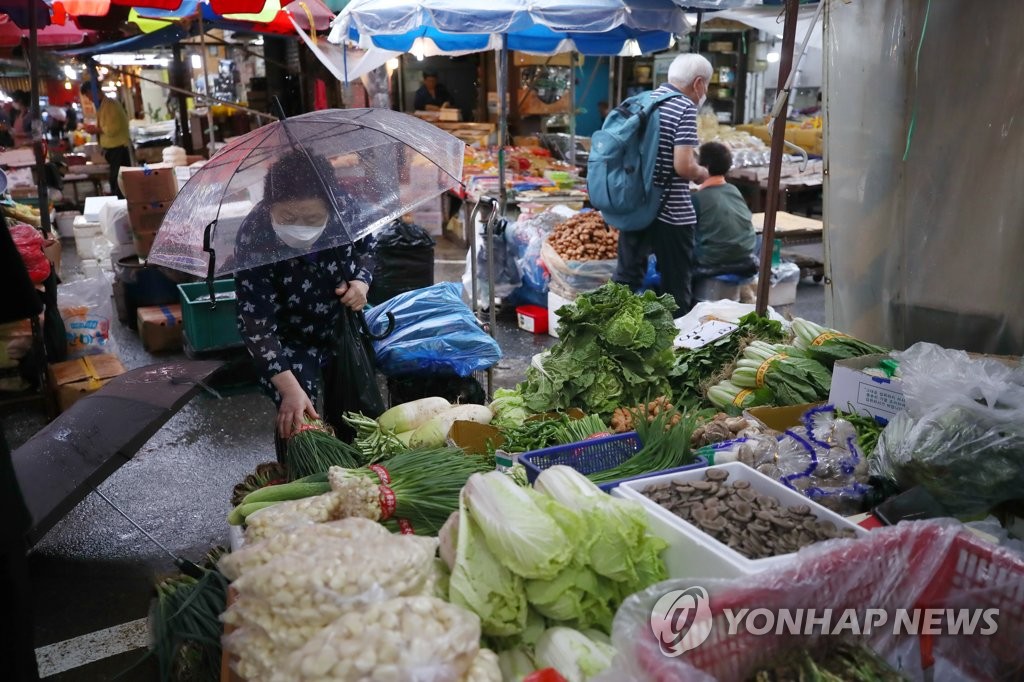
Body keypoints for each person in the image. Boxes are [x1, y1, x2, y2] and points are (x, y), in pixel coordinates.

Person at [234, 150, 374, 456]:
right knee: (299, 421)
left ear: (330, 203)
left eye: (312, 218)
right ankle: (296, 480)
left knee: (356, 417)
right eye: (287, 218)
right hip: (288, 339)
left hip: (340, 325)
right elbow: (255, 325)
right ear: (270, 207)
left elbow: (368, 248)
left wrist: (361, 282)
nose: (300, 226)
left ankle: (357, 476)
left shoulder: (345, 210)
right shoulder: (254, 234)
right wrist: (289, 389)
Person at [613, 53, 711, 317]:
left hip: (634, 204)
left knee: (626, 279)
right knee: (676, 287)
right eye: (707, 86)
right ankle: (677, 346)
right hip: (672, 213)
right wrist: (702, 173)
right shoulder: (684, 108)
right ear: (699, 83)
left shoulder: (642, 101)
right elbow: (683, 166)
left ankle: (613, 337)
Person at [692, 142, 757, 270]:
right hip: (746, 250)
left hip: (713, 257)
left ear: (705, 167)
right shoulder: (733, 189)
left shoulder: (697, 198)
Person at [80, 82, 132, 199]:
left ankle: (122, 207)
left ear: (94, 91)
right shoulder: (104, 105)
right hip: (113, 150)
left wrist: (95, 130)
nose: (89, 99)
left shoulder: (110, 105)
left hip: (118, 149)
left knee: (118, 182)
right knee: (116, 181)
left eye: (89, 95)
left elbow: (112, 129)